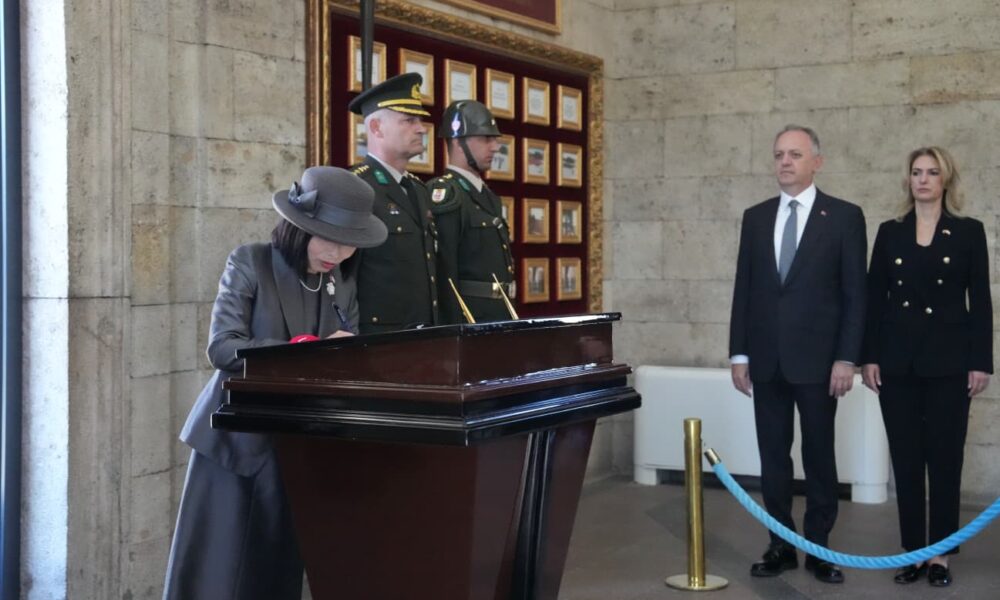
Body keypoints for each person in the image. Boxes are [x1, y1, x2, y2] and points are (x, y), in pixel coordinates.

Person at [163, 167, 387, 599]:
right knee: (219, 575)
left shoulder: (341, 282)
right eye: (329, 239)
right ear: (300, 227)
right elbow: (223, 348)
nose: (339, 253)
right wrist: (309, 350)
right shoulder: (251, 261)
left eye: (349, 243)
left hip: (298, 448)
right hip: (236, 444)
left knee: (276, 574)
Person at [728, 125, 867, 584]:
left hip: (820, 363)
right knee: (773, 456)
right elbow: (745, 288)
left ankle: (819, 547)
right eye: (778, 155)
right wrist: (738, 354)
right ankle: (780, 544)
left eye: (794, 154)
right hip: (766, 360)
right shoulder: (756, 217)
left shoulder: (844, 217)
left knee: (819, 455)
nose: (784, 162)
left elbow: (855, 295)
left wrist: (846, 358)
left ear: (816, 162)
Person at [861, 147, 993, 588]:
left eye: (932, 172)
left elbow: (981, 302)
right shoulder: (890, 232)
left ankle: (941, 556)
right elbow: (874, 298)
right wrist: (869, 356)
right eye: (916, 172)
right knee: (906, 460)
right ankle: (914, 552)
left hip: (949, 363)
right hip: (897, 363)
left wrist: (981, 362)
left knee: (945, 459)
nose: (923, 179)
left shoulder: (969, 231)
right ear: (908, 180)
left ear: (945, 179)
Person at [348, 72, 440, 333]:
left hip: (425, 334)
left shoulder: (418, 189)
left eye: (419, 120)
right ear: (376, 128)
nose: (421, 128)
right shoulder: (357, 188)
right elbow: (343, 275)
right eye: (409, 120)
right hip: (379, 337)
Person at [428, 100, 515, 323]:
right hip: (469, 319)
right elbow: (445, 274)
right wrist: (454, 328)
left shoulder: (488, 196)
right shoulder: (447, 194)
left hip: (497, 314)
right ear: (458, 142)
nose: (495, 147)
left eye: (494, 139)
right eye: (486, 139)